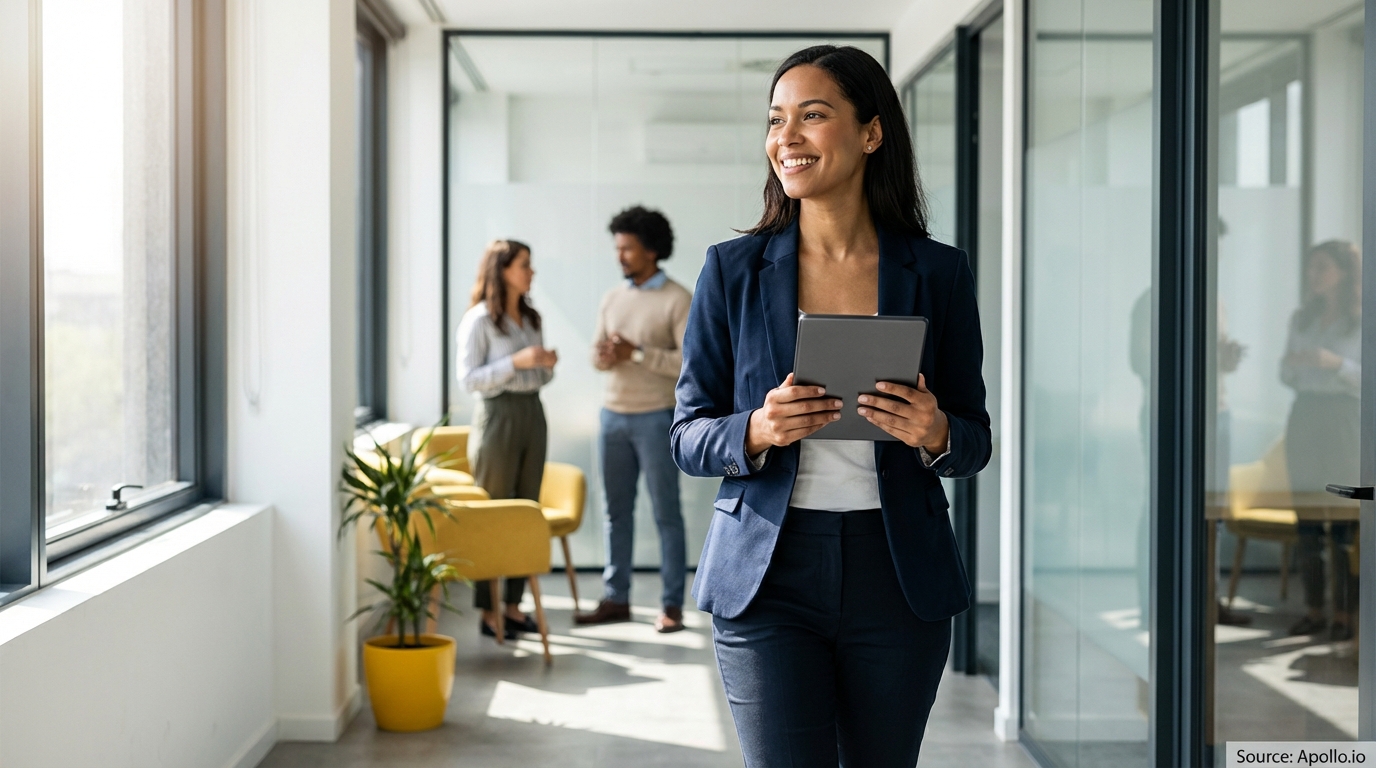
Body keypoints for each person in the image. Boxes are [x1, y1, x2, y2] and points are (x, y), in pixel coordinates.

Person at [671, 45, 990, 767]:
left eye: (812, 116)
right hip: (767, 576)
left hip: (897, 576)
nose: (787, 136)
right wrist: (755, 429)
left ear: (871, 132)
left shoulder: (936, 272)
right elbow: (687, 433)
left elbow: (974, 437)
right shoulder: (734, 271)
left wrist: (935, 430)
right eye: (777, 119)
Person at [577, 206, 693, 633]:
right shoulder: (612, 297)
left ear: (651, 250)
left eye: (627, 247)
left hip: (657, 417)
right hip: (612, 417)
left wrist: (637, 354)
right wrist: (607, 356)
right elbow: (594, 356)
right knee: (615, 512)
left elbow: (689, 364)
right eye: (617, 248)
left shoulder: (678, 299)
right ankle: (616, 598)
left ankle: (672, 605)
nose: (620, 256)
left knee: (666, 514)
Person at [456, 239, 558, 641]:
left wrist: (545, 365)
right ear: (502, 271)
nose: (531, 273)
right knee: (493, 512)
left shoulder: (531, 317)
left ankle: (514, 606)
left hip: (532, 412)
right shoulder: (479, 320)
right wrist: (515, 362)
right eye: (524, 265)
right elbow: (468, 380)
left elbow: (539, 377)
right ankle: (488, 609)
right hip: (497, 417)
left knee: (524, 508)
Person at [1281, 240, 1362, 641]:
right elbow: (1285, 373)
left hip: (1344, 418)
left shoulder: (1362, 320)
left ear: (1344, 273)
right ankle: (1314, 610)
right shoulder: (1302, 319)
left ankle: (1345, 615)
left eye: (1322, 268)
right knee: (1307, 520)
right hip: (1305, 415)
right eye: (1311, 269)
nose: (1314, 276)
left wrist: (1336, 363)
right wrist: (1293, 367)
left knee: (1345, 523)